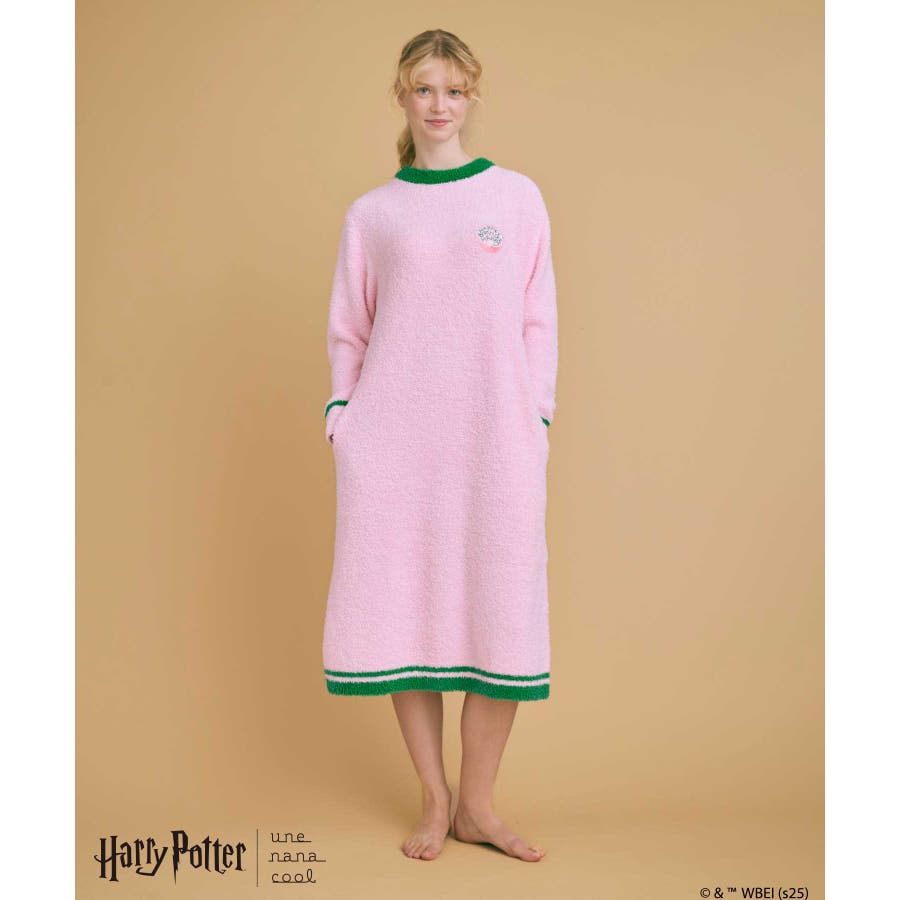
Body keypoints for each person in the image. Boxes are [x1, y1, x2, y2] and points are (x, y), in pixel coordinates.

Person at [322, 29, 557, 863]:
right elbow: (351, 329)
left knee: (501, 610)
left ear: (472, 97)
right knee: (406, 610)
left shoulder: (516, 199)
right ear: (401, 96)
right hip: (394, 446)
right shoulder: (374, 214)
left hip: (494, 438)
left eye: (454, 90)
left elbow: (537, 318)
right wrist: (343, 417)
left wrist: (536, 418)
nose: (439, 104)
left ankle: (478, 807)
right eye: (424, 89)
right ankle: (435, 797)